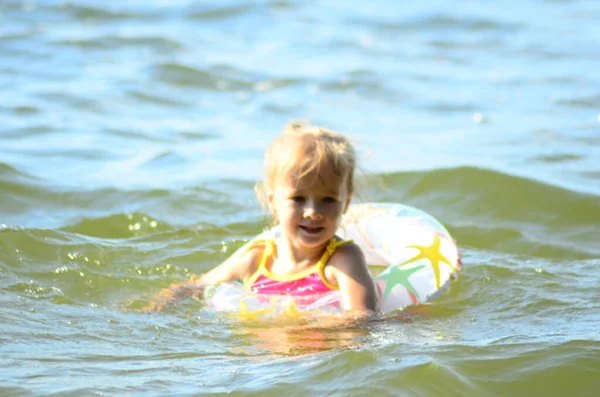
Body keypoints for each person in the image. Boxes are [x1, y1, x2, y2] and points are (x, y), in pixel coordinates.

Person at [144, 122, 378, 315]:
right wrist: (161, 302)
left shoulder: (342, 261)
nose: (312, 212)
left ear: (345, 204)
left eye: (328, 200)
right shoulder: (258, 259)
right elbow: (197, 285)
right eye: (298, 199)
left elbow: (360, 317)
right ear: (272, 201)